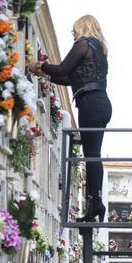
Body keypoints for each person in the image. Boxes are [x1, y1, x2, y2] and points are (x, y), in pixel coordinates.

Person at [29, 15, 111, 222]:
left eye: (73, 31)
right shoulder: (99, 51)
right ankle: (95, 203)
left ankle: (96, 203)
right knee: (93, 154)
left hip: (90, 104)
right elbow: (69, 78)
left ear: (82, 28)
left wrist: (38, 65)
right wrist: (46, 74)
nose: (73, 36)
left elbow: (63, 69)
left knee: (92, 154)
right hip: (101, 103)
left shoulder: (83, 43)